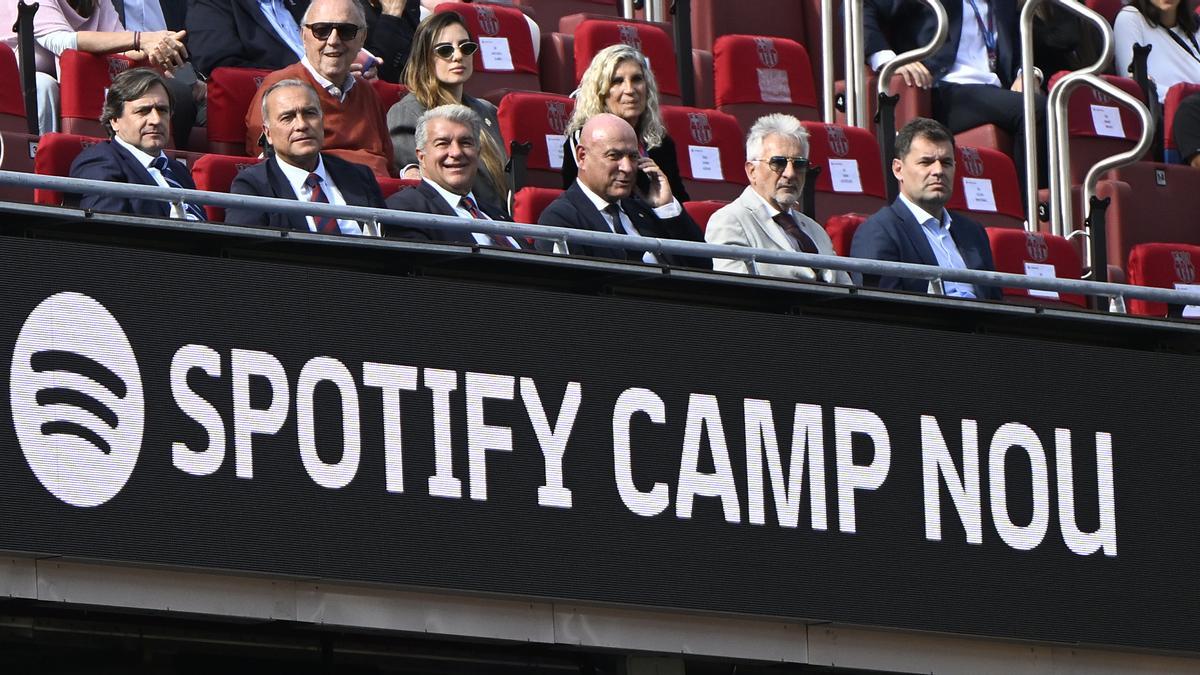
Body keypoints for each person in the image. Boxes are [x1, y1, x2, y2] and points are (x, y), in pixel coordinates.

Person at [862, 0, 1047, 194]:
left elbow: (1017, 47)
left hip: (994, 89)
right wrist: (888, 61)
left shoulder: (1002, 4)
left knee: (1046, 106)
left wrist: (1027, 73)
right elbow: (860, 7)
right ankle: (1031, 210)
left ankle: (1040, 208)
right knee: (1034, 109)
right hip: (944, 88)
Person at [850, 117, 1000, 299]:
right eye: (926, 162)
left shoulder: (973, 232)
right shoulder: (879, 231)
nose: (938, 171)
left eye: (946, 163)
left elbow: (995, 301)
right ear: (898, 169)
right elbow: (882, 313)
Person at [243, 0, 397, 177]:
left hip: (378, 198)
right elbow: (270, 166)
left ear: (362, 38)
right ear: (303, 35)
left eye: (346, 31)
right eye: (321, 30)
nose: (333, 41)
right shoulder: (279, 89)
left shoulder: (368, 92)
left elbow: (389, 164)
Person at [538, 113, 707, 269]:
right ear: (582, 157)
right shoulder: (560, 218)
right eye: (614, 156)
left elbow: (702, 266)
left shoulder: (644, 211)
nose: (627, 168)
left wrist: (665, 207)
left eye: (633, 157)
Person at [0, 0, 192, 136]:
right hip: (14, 87)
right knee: (44, 85)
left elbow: (121, 46)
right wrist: (141, 40)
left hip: (73, 89)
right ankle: (41, 168)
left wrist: (157, 48)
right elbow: (63, 41)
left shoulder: (98, 2)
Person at [226, 79, 386, 234]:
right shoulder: (252, 186)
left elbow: (391, 241)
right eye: (287, 118)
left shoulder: (359, 177)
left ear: (322, 122)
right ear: (268, 134)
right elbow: (244, 253)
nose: (302, 125)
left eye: (310, 114)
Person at [706, 114, 850, 284]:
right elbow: (737, 297)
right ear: (752, 171)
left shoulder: (815, 230)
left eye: (799, 164)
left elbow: (849, 293)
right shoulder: (730, 221)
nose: (790, 174)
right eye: (779, 162)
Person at [388, 11, 508, 212]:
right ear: (425, 57)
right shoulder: (407, 113)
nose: (458, 56)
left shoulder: (487, 111)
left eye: (466, 47)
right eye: (445, 50)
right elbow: (428, 187)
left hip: (497, 219)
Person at [69, 67, 205, 220]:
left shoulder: (179, 171)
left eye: (162, 110)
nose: (156, 120)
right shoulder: (100, 162)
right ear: (114, 120)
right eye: (143, 111)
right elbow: (107, 234)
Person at [561, 44, 690, 202]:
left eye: (637, 79)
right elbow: (589, 205)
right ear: (600, 91)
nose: (629, 89)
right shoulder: (584, 139)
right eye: (617, 81)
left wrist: (666, 206)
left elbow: (680, 204)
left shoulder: (660, 144)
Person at [385, 104, 525, 247]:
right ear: (421, 157)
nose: (456, 152)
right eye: (443, 144)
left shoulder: (497, 215)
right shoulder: (406, 209)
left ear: (477, 153)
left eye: (465, 143)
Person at [188, 0, 419, 82]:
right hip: (282, 101)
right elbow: (222, 69)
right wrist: (314, 74)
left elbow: (357, 46)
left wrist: (364, 66)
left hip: (347, 94)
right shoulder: (213, 3)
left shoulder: (303, 3)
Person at [1114, 0, 1200, 167]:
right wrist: (1178, 95)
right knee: (1188, 111)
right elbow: (1135, 84)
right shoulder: (1130, 19)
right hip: (1173, 118)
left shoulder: (1195, 26)